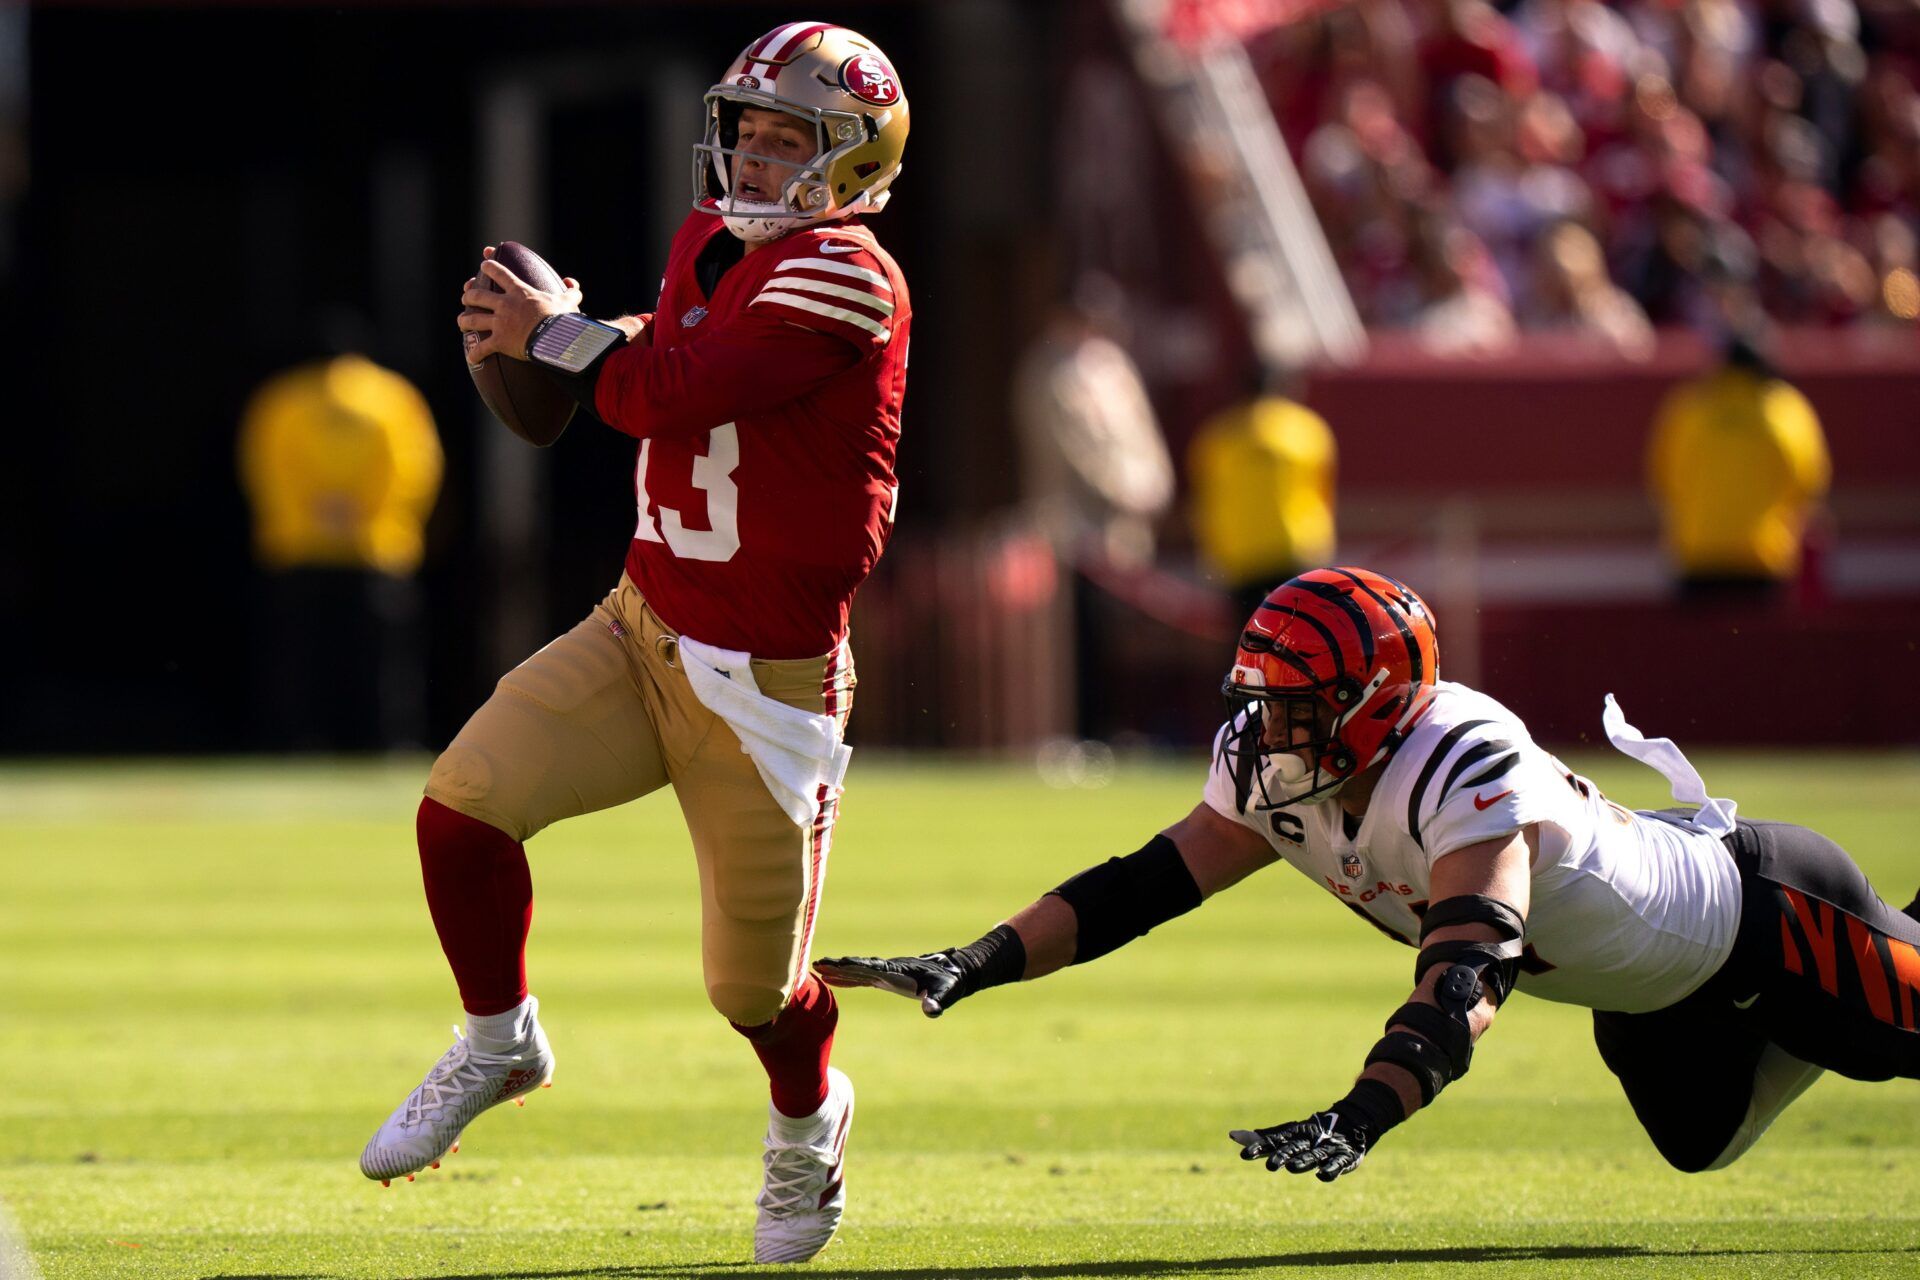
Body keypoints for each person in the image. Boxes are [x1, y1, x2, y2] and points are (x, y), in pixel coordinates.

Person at [359, 23, 911, 1265]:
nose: (757, 161)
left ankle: (807, 1115)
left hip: (763, 684)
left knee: (753, 993)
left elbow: (668, 392)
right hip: (641, 622)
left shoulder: (848, 273)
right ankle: (500, 1039)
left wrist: (561, 336)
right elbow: (656, 351)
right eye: (750, 133)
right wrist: (566, 334)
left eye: (791, 142)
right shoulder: (709, 239)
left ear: (853, 159)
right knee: (461, 806)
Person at [819, 567, 1920, 1182]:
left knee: (1889, 1042)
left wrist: (1364, 1111)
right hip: (1647, 998)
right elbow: (1141, 886)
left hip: (1775, 919)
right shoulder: (1283, 770)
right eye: (1261, 700)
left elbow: (1471, 971)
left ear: (1378, 700)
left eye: (1294, 705)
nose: (1266, 731)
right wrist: (974, 959)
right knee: (1702, 1145)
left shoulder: (1465, 757)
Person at [236, 346, 442, 749]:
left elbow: (265, 463)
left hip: (299, 551)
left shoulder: (285, 397)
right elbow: (414, 466)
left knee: (298, 660)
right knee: (381, 661)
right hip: (375, 551)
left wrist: (306, 515)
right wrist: (371, 517)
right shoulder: (391, 397)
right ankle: (387, 742)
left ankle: (293, 743)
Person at [1646, 329, 1831, 604]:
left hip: (1697, 555)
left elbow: (1664, 477)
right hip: (1763, 557)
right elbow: (1808, 483)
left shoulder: (1690, 408)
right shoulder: (1787, 410)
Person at [1186, 367, 1337, 623]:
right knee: (1299, 634)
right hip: (1294, 545)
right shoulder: (1307, 429)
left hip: (1239, 552)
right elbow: (1322, 491)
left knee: (1248, 637)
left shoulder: (1219, 434)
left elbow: (1204, 496)